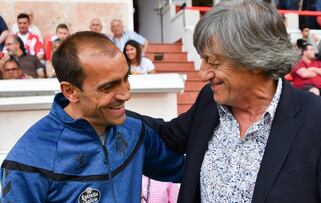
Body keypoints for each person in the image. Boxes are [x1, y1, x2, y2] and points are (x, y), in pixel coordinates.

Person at [128, 1, 321, 202]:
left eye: (214, 61)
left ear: (257, 60)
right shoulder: (210, 102)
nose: (203, 73)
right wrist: (110, 107)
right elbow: (166, 135)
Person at [0, 31, 184, 202]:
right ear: (70, 91)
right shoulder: (29, 160)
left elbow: (187, 170)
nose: (125, 94)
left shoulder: (135, 130)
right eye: (108, 87)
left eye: (125, 78)